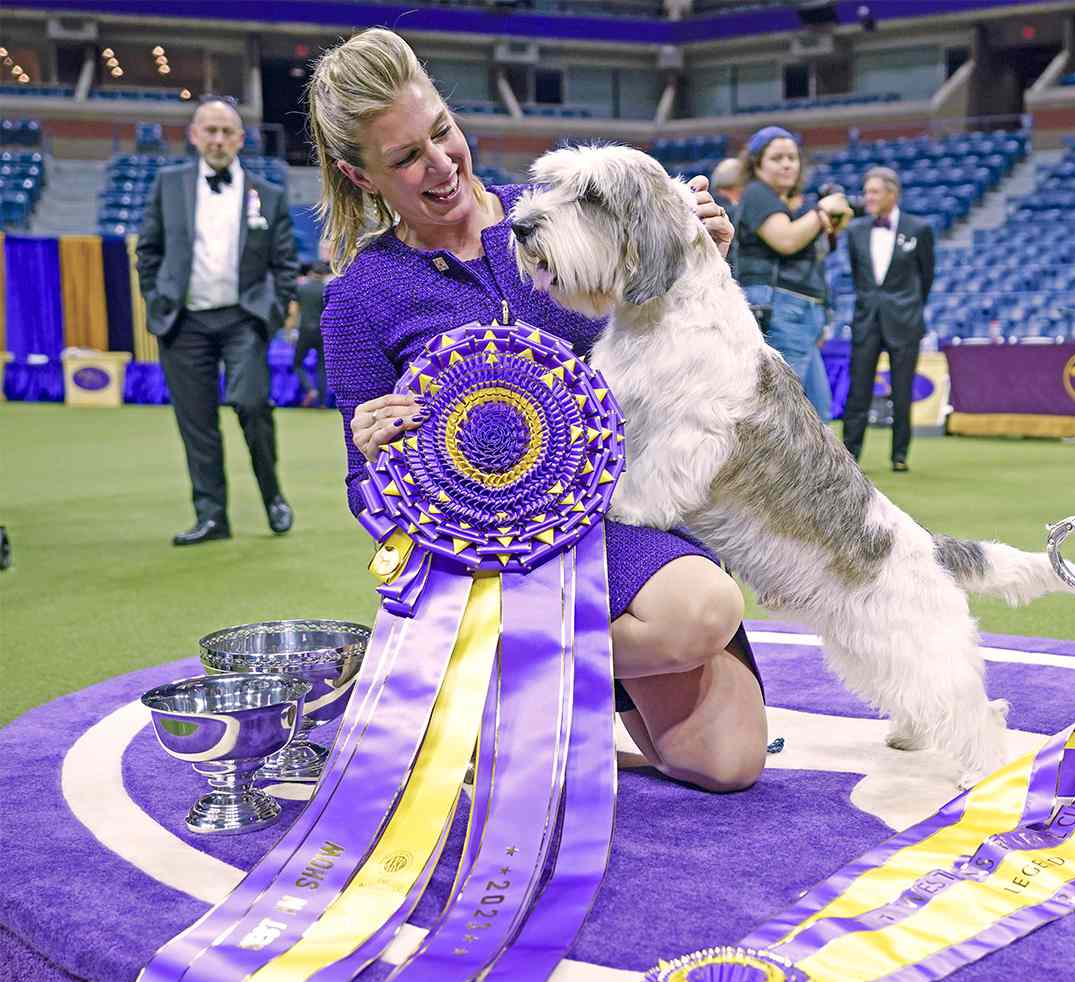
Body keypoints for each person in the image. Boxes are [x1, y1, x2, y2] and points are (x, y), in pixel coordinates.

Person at [307, 27, 764, 793]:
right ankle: (491, 664)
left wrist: (699, 260)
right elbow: (364, 490)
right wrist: (378, 458)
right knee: (703, 610)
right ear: (361, 176)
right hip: (492, 558)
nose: (442, 164)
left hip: (622, 515)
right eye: (407, 158)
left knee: (727, 764)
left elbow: (680, 337)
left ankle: (490, 682)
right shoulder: (358, 298)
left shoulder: (563, 207)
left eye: (442, 132)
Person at [137, 97, 299, 546]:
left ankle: (273, 497)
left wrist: (268, 314)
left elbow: (285, 265)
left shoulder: (270, 194)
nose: (218, 139)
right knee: (196, 421)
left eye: (227, 131)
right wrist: (155, 298)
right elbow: (148, 252)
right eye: (209, 130)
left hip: (242, 320)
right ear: (194, 135)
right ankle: (212, 517)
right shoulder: (168, 185)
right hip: (182, 322)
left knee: (251, 404)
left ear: (240, 140)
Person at [733, 126, 851, 418]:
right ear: (757, 164)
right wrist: (822, 212)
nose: (787, 164)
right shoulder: (757, 194)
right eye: (777, 158)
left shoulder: (791, 203)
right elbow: (785, 240)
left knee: (818, 410)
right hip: (781, 308)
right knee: (783, 411)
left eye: (792, 157)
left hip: (804, 311)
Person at [841, 166, 934, 473]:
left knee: (903, 390)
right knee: (858, 391)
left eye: (874, 192)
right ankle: (849, 455)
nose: (867, 198)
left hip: (905, 322)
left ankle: (900, 454)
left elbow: (926, 277)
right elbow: (859, 276)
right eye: (866, 192)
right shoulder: (855, 231)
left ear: (892, 195)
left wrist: (910, 308)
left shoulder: (919, 229)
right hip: (867, 319)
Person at [289, 260, 331, 407]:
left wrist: (291, 330)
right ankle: (322, 402)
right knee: (322, 367)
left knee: (297, 364)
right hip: (322, 331)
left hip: (304, 330)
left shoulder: (302, 288)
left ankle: (309, 389)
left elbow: (293, 311)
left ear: (310, 273)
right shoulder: (327, 289)